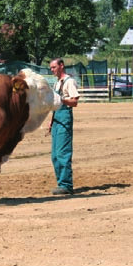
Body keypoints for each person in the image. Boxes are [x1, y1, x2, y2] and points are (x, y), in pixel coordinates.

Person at [48, 57, 80, 195]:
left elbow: (74, 101)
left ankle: (66, 185)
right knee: (55, 155)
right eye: (51, 68)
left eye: (54, 67)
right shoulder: (57, 83)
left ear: (61, 66)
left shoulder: (69, 82)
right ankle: (61, 183)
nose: (52, 70)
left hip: (64, 119)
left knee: (62, 153)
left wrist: (61, 100)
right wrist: (51, 120)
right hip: (57, 119)